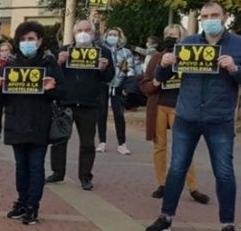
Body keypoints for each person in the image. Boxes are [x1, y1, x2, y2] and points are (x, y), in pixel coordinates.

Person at [146, 0, 240, 231]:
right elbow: (160, 78)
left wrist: (234, 69)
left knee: (224, 172)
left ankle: (227, 225)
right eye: (205, 16)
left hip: (219, 119)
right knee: (177, 168)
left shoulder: (237, 45)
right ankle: (165, 217)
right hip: (186, 117)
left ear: (224, 17)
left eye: (214, 15)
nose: (210, 20)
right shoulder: (188, 44)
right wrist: (164, 64)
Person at [0, 22, 63, 225]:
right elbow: (1, 100)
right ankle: (21, 202)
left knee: (36, 166)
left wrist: (51, 89)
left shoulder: (49, 63)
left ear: (39, 41)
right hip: (16, 122)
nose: (27, 43)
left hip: (39, 122)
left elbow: (63, 92)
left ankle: (32, 206)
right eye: (23, 39)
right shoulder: (11, 64)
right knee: (21, 166)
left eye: (31, 39)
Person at [139, 24, 210, 205]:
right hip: (159, 106)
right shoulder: (157, 58)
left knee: (184, 148)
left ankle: (193, 187)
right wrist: (155, 82)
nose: (171, 37)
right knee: (159, 146)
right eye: (168, 34)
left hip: (181, 106)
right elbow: (145, 85)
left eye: (175, 35)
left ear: (182, 37)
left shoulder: (189, 56)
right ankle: (163, 184)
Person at [48, 20, 115, 191]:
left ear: (93, 33)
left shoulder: (103, 52)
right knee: (59, 139)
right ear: (74, 33)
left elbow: (109, 77)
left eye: (87, 30)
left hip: (89, 103)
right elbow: (52, 76)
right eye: (80, 30)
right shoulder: (63, 50)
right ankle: (57, 172)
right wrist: (59, 63)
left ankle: (85, 176)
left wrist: (104, 68)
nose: (83, 33)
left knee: (87, 143)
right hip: (66, 102)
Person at [99, 27, 134, 155]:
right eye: (110, 34)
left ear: (120, 37)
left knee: (119, 115)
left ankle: (122, 144)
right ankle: (102, 142)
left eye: (115, 35)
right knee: (101, 115)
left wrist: (127, 87)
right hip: (103, 86)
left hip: (118, 86)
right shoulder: (101, 51)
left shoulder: (126, 53)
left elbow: (129, 70)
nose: (112, 37)